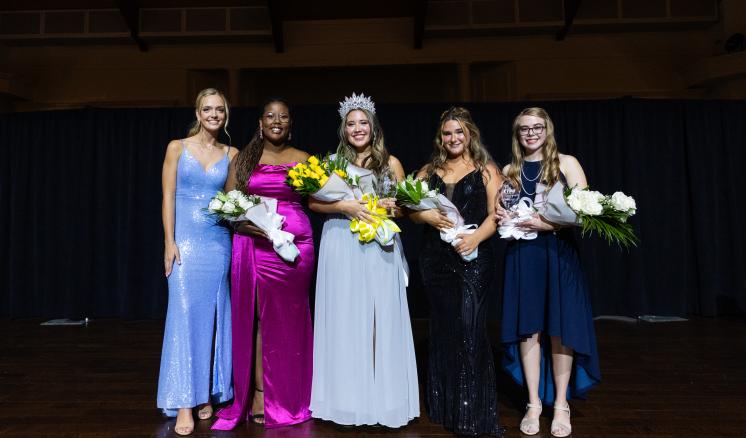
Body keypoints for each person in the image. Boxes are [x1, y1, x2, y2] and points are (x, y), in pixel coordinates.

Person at [309, 93, 419, 427]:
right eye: (352, 124)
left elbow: (406, 206)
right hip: (341, 240)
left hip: (379, 243)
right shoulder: (331, 164)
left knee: (377, 317)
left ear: (373, 127)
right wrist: (344, 206)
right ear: (344, 130)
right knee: (345, 317)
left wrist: (388, 205)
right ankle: (347, 399)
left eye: (363, 123)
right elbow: (314, 204)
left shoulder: (391, 163)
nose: (358, 129)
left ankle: (379, 400)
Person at [495, 107, 601, 437]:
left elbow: (589, 212)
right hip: (522, 255)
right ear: (517, 134)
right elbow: (502, 209)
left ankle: (561, 406)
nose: (531, 133)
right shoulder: (510, 169)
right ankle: (533, 402)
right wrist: (501, 214)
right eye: (524, 129)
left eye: (537, 127)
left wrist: (547, 222)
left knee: (559, 327)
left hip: (558, 253)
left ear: (547, 130)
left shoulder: (566, 163)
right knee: (528, 329)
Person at [212, 98, 315, 430]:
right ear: (260, 122)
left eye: (283, 116)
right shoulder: (245, 157)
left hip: (295, 248)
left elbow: (319, 200)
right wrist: (244, 224)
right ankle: (259, 393)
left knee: (291, 320)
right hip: (254, 244)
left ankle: (294, 395)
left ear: (290, 123)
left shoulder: (304, 159)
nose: (277, 121)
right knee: (258, 320)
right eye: (270, 116)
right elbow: (229, 203)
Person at [409, 107, 504, 436]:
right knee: (444, 329)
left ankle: (473, 413)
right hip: (434, 260)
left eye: (459, 132)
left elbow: (498, 214)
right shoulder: (428, 171)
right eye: (447, 133)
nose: (453, 138)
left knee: (470, 330)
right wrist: (427, 218)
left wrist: (475, 237)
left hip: (474, 257)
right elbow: (409, 208)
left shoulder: (486, 170)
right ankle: (446, 407)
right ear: (441, 137)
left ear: (470, 135)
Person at [158, 88, 237, 436]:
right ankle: (184, 403)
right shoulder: (177, 147)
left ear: (225, 114)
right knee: (184, 316)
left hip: (218, 243)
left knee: (215, 317)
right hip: (185, 244)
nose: (214, 114)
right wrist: (168, 242)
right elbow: (168, 195)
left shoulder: (232, 153)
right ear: (198, 111)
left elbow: (236, 198)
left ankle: (208, 392)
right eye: (208, 109)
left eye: (219, 109)